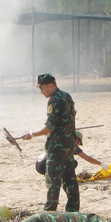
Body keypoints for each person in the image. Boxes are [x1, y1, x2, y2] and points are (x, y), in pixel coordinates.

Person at [19, 73, 80, 212]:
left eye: (42, 88)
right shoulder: (67, 96)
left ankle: (49, 213)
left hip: (57, 148)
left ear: (50, 86)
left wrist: (31, 134)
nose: (41, 92)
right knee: (70, 179)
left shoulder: (54, 100)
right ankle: (73, 212)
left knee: (53, 181)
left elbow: (49, 128)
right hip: (69, 145)